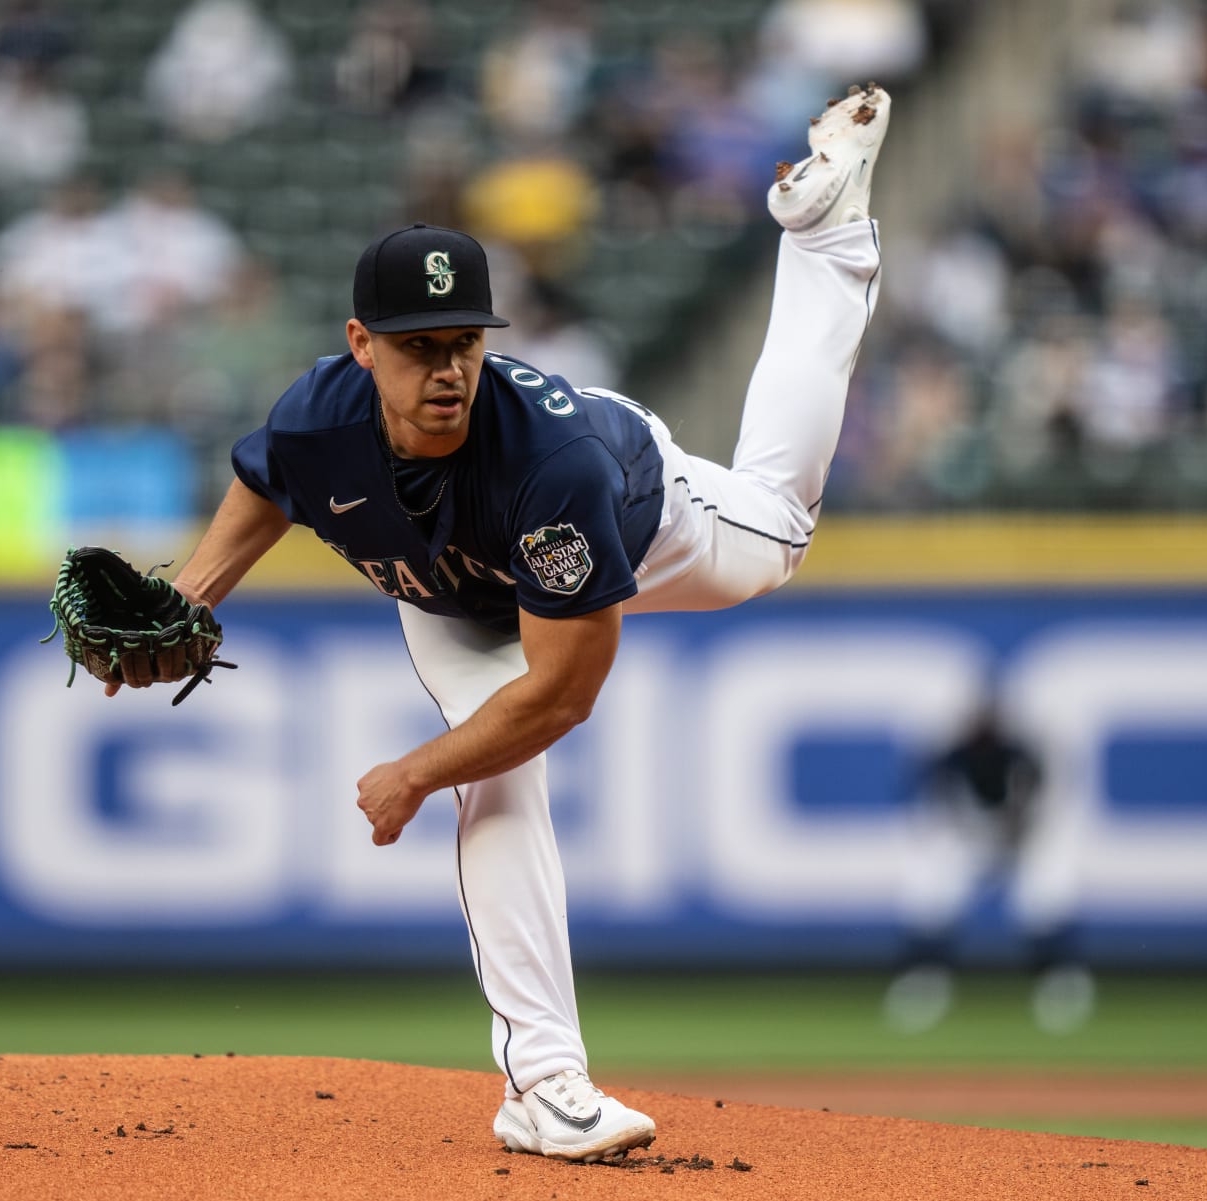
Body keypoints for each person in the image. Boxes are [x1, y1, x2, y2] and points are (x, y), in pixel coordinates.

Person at [116, 85, 890, 1162]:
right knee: (499, 773)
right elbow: (266, 484)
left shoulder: (550, 468)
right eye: (416, 344)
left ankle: (825, 233)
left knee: (778, 538)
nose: (445, 369)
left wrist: (418, 769)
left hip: (637, 509)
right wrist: (188, 599)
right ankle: (547, 1083)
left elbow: (564, 693)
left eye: (463, 341)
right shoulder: (316, 414)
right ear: (359, 345)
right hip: (447, 598)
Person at [884, 701, 1094, 1035]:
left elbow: (1039, 805)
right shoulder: (952, 758)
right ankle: (924, 979)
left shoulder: (1019, 755)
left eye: (989, 723)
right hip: (968, 840)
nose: (983, 730)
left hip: (1019, 841)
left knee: (1048, 886)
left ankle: (1059, 981)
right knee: (928, 884)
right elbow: (932, 808)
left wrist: (1018, 831)